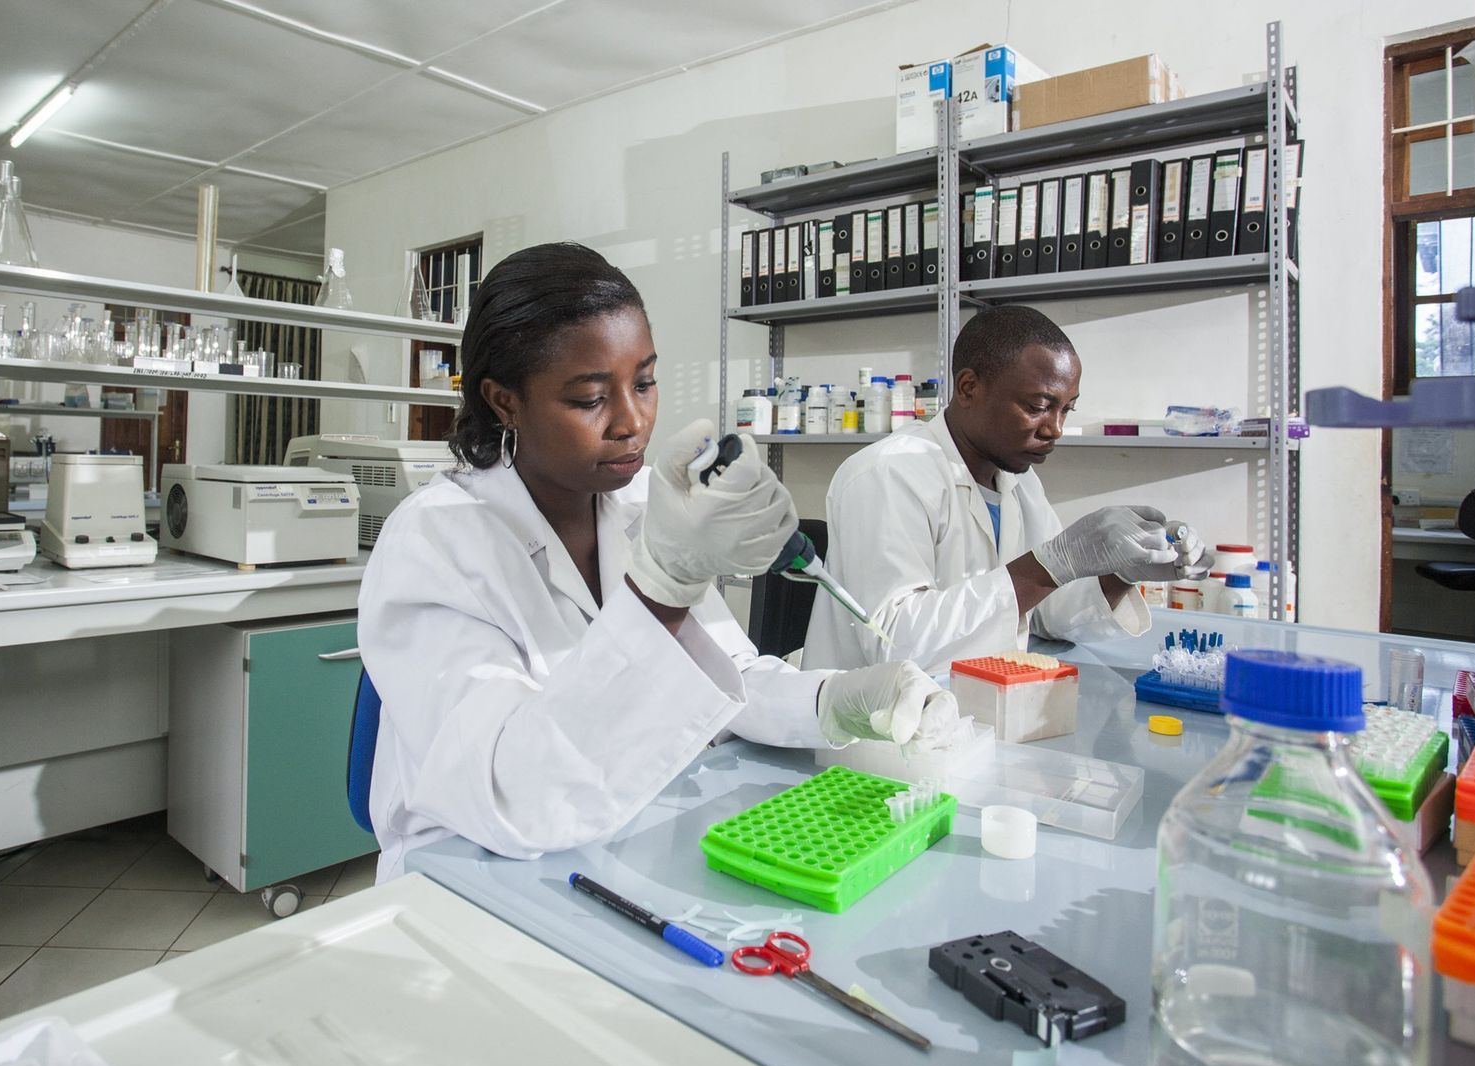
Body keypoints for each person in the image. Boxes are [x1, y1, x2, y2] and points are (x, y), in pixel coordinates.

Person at [359, 242, 960, 880]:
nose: (633, 421)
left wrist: (835, 701)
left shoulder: (642, 501)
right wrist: (663, 588)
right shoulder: (435, 542)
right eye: (590, 399)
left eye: (644, 382)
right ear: (505, 401)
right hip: (468, 874)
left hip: (624, 839)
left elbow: (723, 673)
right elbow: (513, 795)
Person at [803, 305, 1207, 673]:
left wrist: (1120, 573)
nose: (1055, 429)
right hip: (874, 724)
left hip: (974, 709)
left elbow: (1046, 612)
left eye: (1066, 409)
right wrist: (1048, 564)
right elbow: (894, 643)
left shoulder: (1019, 481)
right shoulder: (888, 474)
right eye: (1038, 407)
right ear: (968, 388)